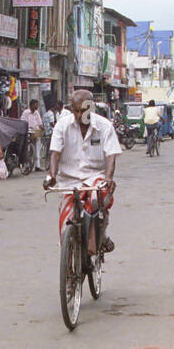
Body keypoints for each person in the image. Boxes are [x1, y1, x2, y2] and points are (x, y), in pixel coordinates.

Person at [45, 90, 121, 252]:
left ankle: (98, 236)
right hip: (69, 181)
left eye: (83, 111)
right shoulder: (62, 125)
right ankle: (69, 266)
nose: (79, 115)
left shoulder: (104, 126)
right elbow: (55, 154)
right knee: (65, 222)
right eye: (76, 111)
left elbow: (111, 155)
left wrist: (108, 177)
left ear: (91, 109)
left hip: (96, 178)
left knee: (96, 198)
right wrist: (52, 175)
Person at [22, 98, 45, 171]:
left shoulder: (37, 113)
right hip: (28, 131)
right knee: (28, 149)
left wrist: (43, 128)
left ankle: (37, 165)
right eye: (36, 104)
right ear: (32, 105)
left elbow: (40, 123)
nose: (37, 106)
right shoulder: (26, 112)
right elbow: (23, 122)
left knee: (37, 148)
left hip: (36, 131)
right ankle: (27, 165)